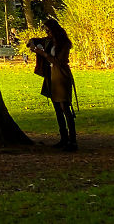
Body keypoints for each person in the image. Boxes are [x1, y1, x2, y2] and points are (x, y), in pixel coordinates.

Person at [28, 17, 78, 151]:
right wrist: (32, 43)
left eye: (49, 31)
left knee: (65, 107)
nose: (47, 33)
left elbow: (58, 61)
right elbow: (36, 40)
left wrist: (42, 53)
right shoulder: (49, 41)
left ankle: (72, 141)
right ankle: (64, 138)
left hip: (61, 75)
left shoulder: (64, 44)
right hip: (51, 76)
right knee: (57, 108)